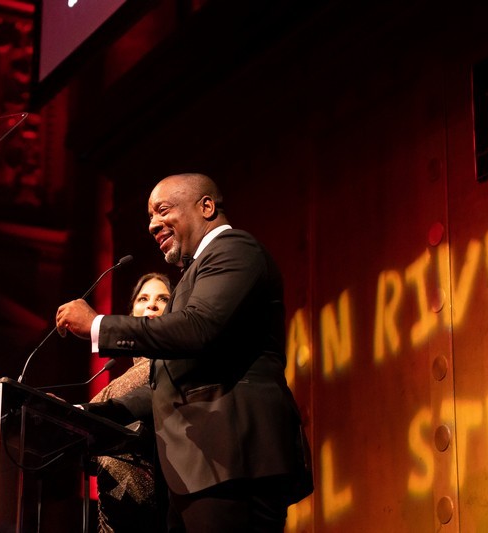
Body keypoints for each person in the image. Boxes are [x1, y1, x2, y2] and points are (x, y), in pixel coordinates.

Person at [56, 172, 313, 532]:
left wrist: (99, 325)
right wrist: (81, 415)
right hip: (198, 472)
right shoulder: (195, 275)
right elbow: (164, 385)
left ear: (206, 207)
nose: (152, 225)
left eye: (162, 210)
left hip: (234, 462)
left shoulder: (235, 249)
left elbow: (197, 327)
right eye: (149, 216)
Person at [90, 273, 171, 533]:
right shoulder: (120, 378)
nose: (152, 305)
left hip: (154, 512)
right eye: (143, 299)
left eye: (163, 299)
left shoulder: (169, 367)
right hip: (111, 515)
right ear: (131, 313)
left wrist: (72, 413)